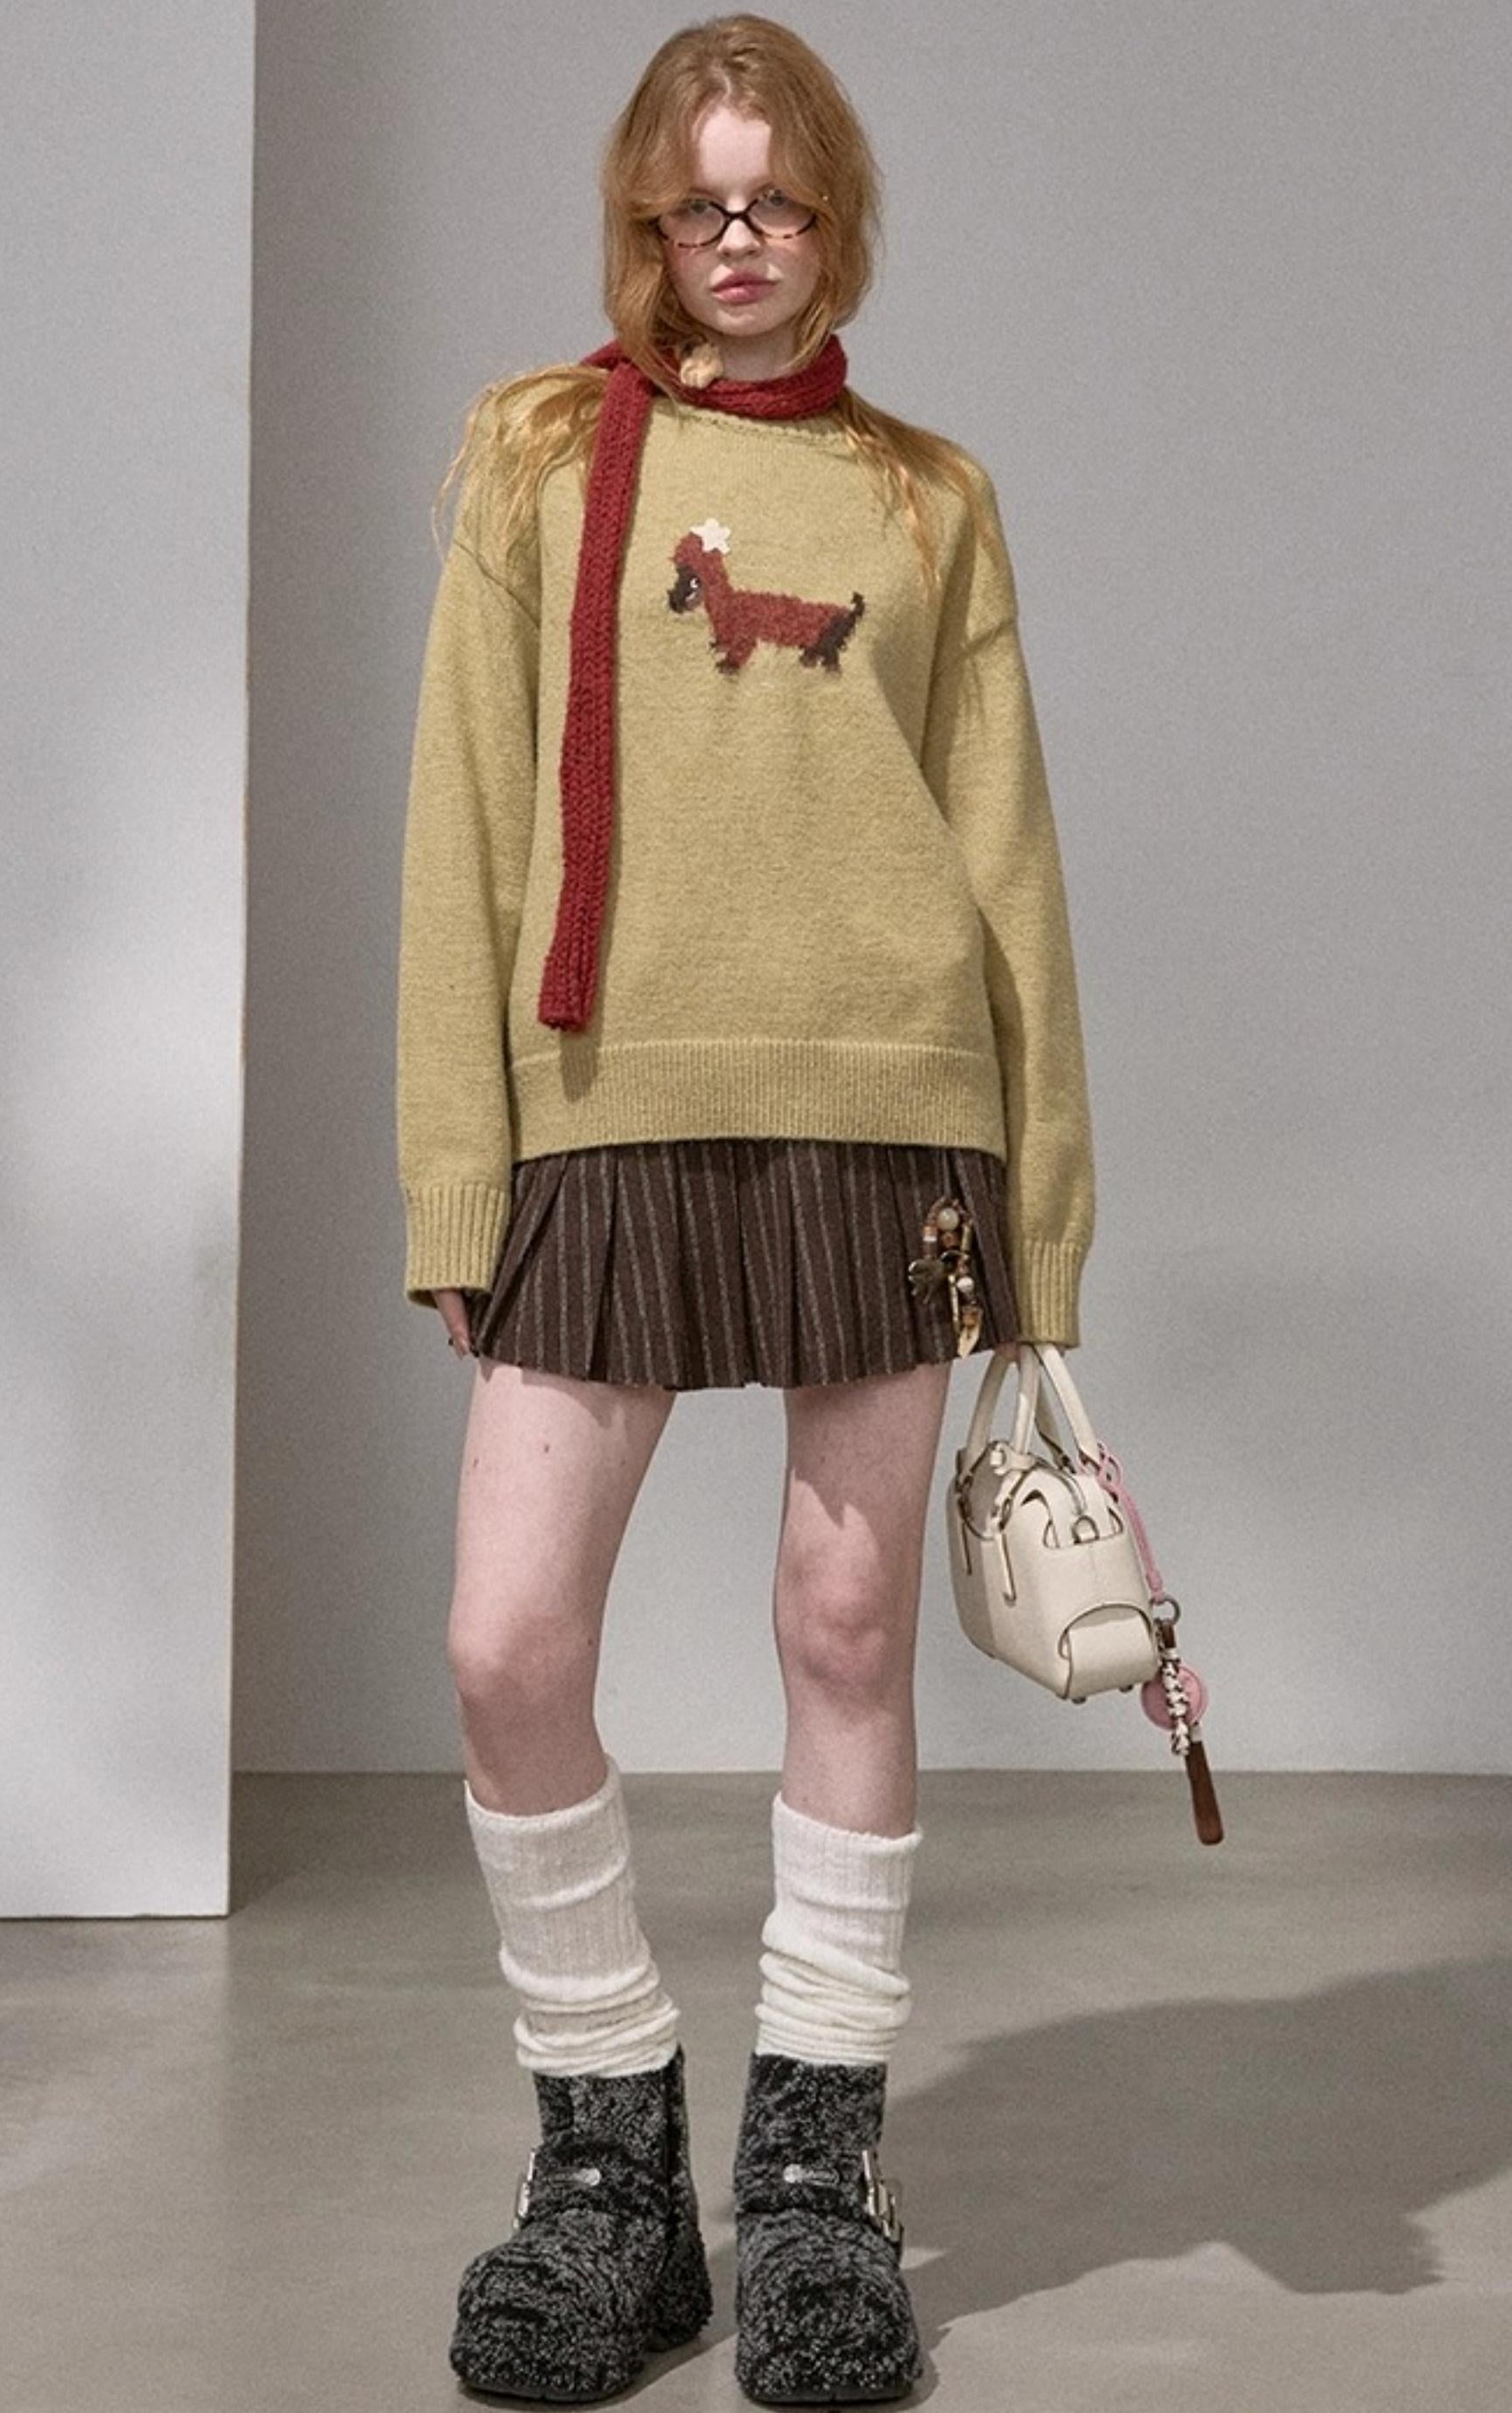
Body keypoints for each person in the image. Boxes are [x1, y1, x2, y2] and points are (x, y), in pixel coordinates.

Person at [394, 15, 1096, 2402]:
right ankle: (609, 2162)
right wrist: (455, 1169)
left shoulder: (930, 498)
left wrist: (1047, 1225)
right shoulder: (535, 456)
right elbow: (464, 823)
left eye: (779, 202)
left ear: (836, 219)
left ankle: (815, 2178)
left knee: (842, 1629)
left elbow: (1005, 861)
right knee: (509, 1643)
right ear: (642, 221)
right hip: (602, 1105)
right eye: (697, 204)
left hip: (889, 1111)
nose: (740, 241)